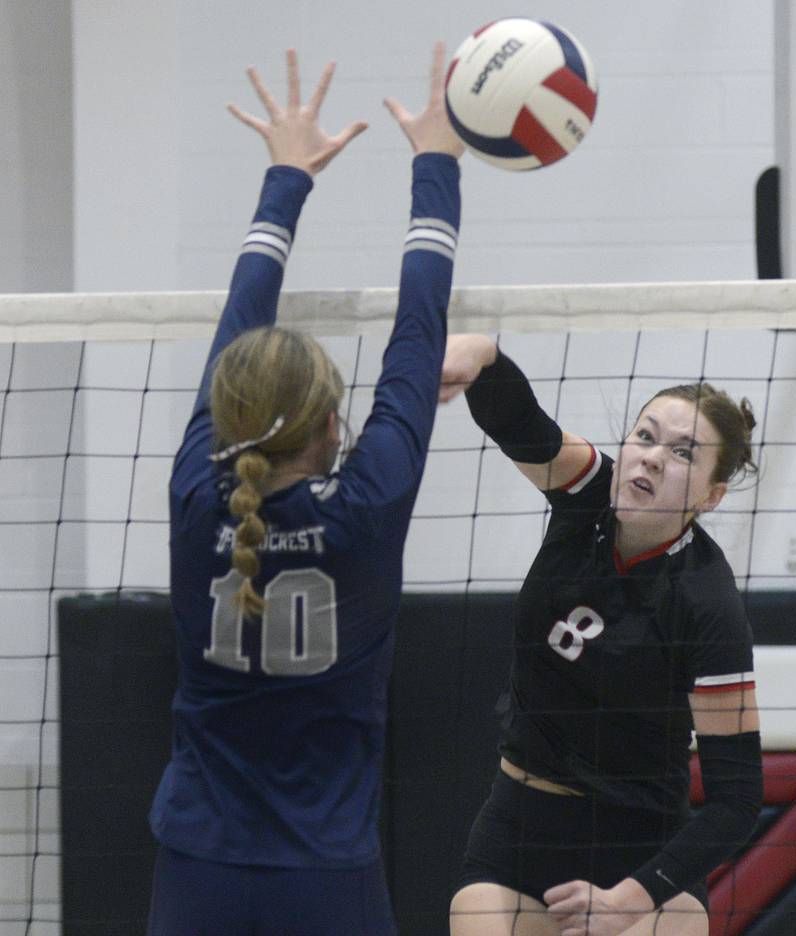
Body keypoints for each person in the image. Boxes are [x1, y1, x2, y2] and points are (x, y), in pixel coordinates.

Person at [146, 44, 464, 936]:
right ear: (334, 429)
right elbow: (420, 331)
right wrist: (436, 161)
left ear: (224, 413)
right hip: (326, 876)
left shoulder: (195, 496)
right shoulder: (364, 510)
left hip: (197, 868)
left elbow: (241, 318)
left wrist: (286, 176)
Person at [442, 334, 763, 936]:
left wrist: (634, 899)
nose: (651, 459)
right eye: (644, 436)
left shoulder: (708, 604)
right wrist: (483, 356)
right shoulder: (589, 494)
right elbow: (521, 423)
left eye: (683, 454)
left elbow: (736, 801)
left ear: (712, 496)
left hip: (640, 850)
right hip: (519, 829)